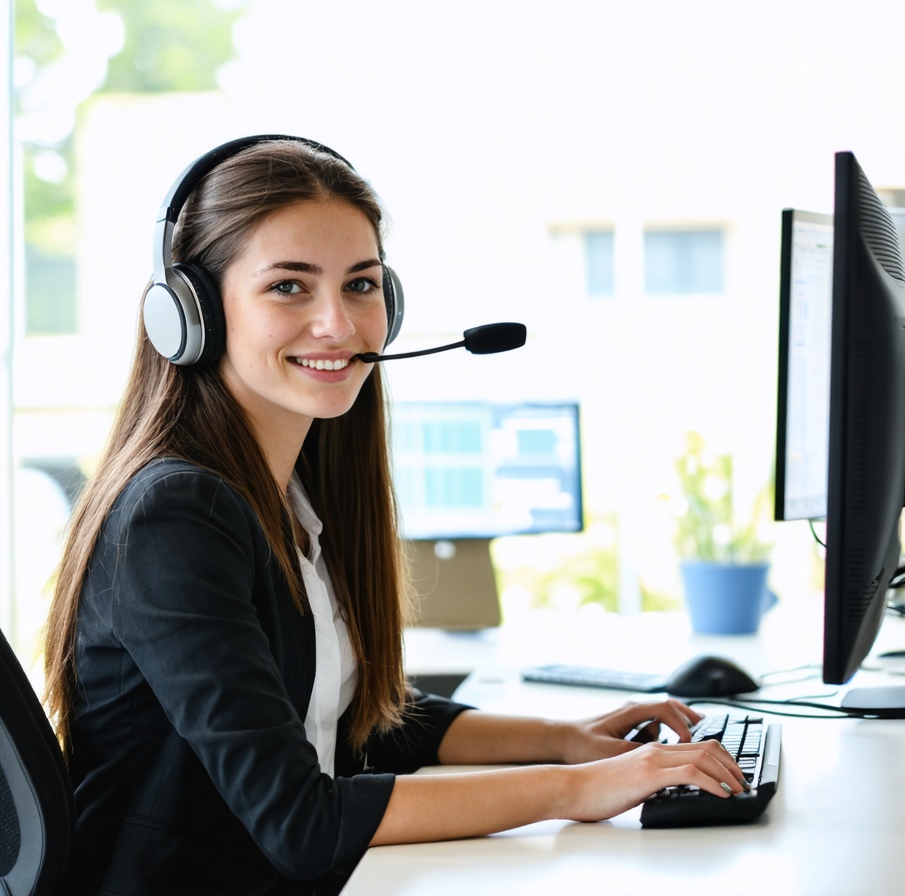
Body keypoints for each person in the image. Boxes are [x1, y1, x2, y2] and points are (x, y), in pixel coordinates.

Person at [42, 136, 748, 895]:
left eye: (361, 285)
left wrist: (570, 743)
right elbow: (300, 821)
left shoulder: (296, 491)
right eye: (288, 287)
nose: (339, 325)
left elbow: (358, 720)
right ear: (191, 313)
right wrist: (576, 790)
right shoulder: (173, 517)